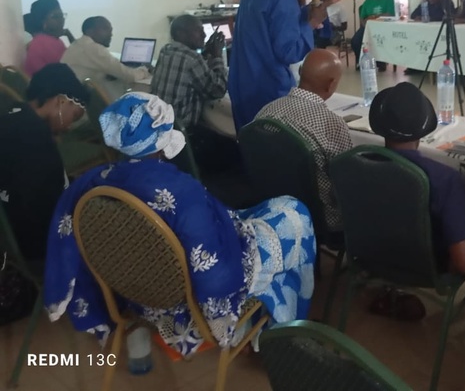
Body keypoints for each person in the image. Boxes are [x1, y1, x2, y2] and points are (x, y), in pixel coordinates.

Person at [43, 92, 316, 357]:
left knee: (266, 211)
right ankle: (282, 338)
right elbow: (214, 272)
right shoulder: (182, 192)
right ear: (162, 142)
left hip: (138, 288)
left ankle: (268, 324)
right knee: (295, 216)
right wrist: (220, 318)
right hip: (183, 301)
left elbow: (64, 235)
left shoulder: (92, 182)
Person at [229, 0, 352, 131]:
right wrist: (313, 22)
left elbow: (284, 21)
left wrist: (327, 2)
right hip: (267, 89)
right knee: (273, 145)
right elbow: (289, 51)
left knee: (249, 144)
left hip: (243, 85)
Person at [369, 82, 465, 275]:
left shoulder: (357, 163)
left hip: (370, 258)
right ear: (424, 129)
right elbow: (463, 264)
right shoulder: (446, 179)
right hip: (429, 270)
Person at [254, 49, 352, 231]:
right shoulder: (332, 125)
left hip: (271, 207)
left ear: (300, 72)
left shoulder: (265, 111)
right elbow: (347, 181)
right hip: (319, 218)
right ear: (331, 85)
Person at [0, 63, 88, 260]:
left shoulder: (12, 114)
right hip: (39, 245)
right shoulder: (36, 140)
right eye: (74, 116)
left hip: (10, 235)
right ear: (60, 101)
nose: (69, 126)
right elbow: (48, 207)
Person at [151, 15, 227, 130]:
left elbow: (186, 65)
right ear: (181, 34)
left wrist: (205, 52)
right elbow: (218, 90)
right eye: (198, 31)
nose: (204, 35)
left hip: (160, 123)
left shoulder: (166, 50)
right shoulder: (192, 59)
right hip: (182, 130)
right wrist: (217, 55)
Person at [61, 16, 149, 99]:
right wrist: (145, 70)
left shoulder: (78, 44)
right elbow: (130, 76)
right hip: (80, 100)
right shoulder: (94, 49)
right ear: (90, 31)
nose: (111, 34)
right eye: (105, 29)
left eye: (111, 30)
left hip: (69, 97)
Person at [23, 0, 75, 76]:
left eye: (62, 15)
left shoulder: (54, 40)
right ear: (42, 21)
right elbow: (73, 68)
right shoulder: (44, 43)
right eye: (56, 17)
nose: (61, 20)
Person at [351, 0, 395, 70]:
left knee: (379, 41)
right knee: (355, 41)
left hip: (383, 28)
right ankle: (361, 61)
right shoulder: (368, 1)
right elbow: (362, 17)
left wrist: (375, 16)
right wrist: (364, 26)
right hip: (368, 27)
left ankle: (381, 62)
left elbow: (389, 14)